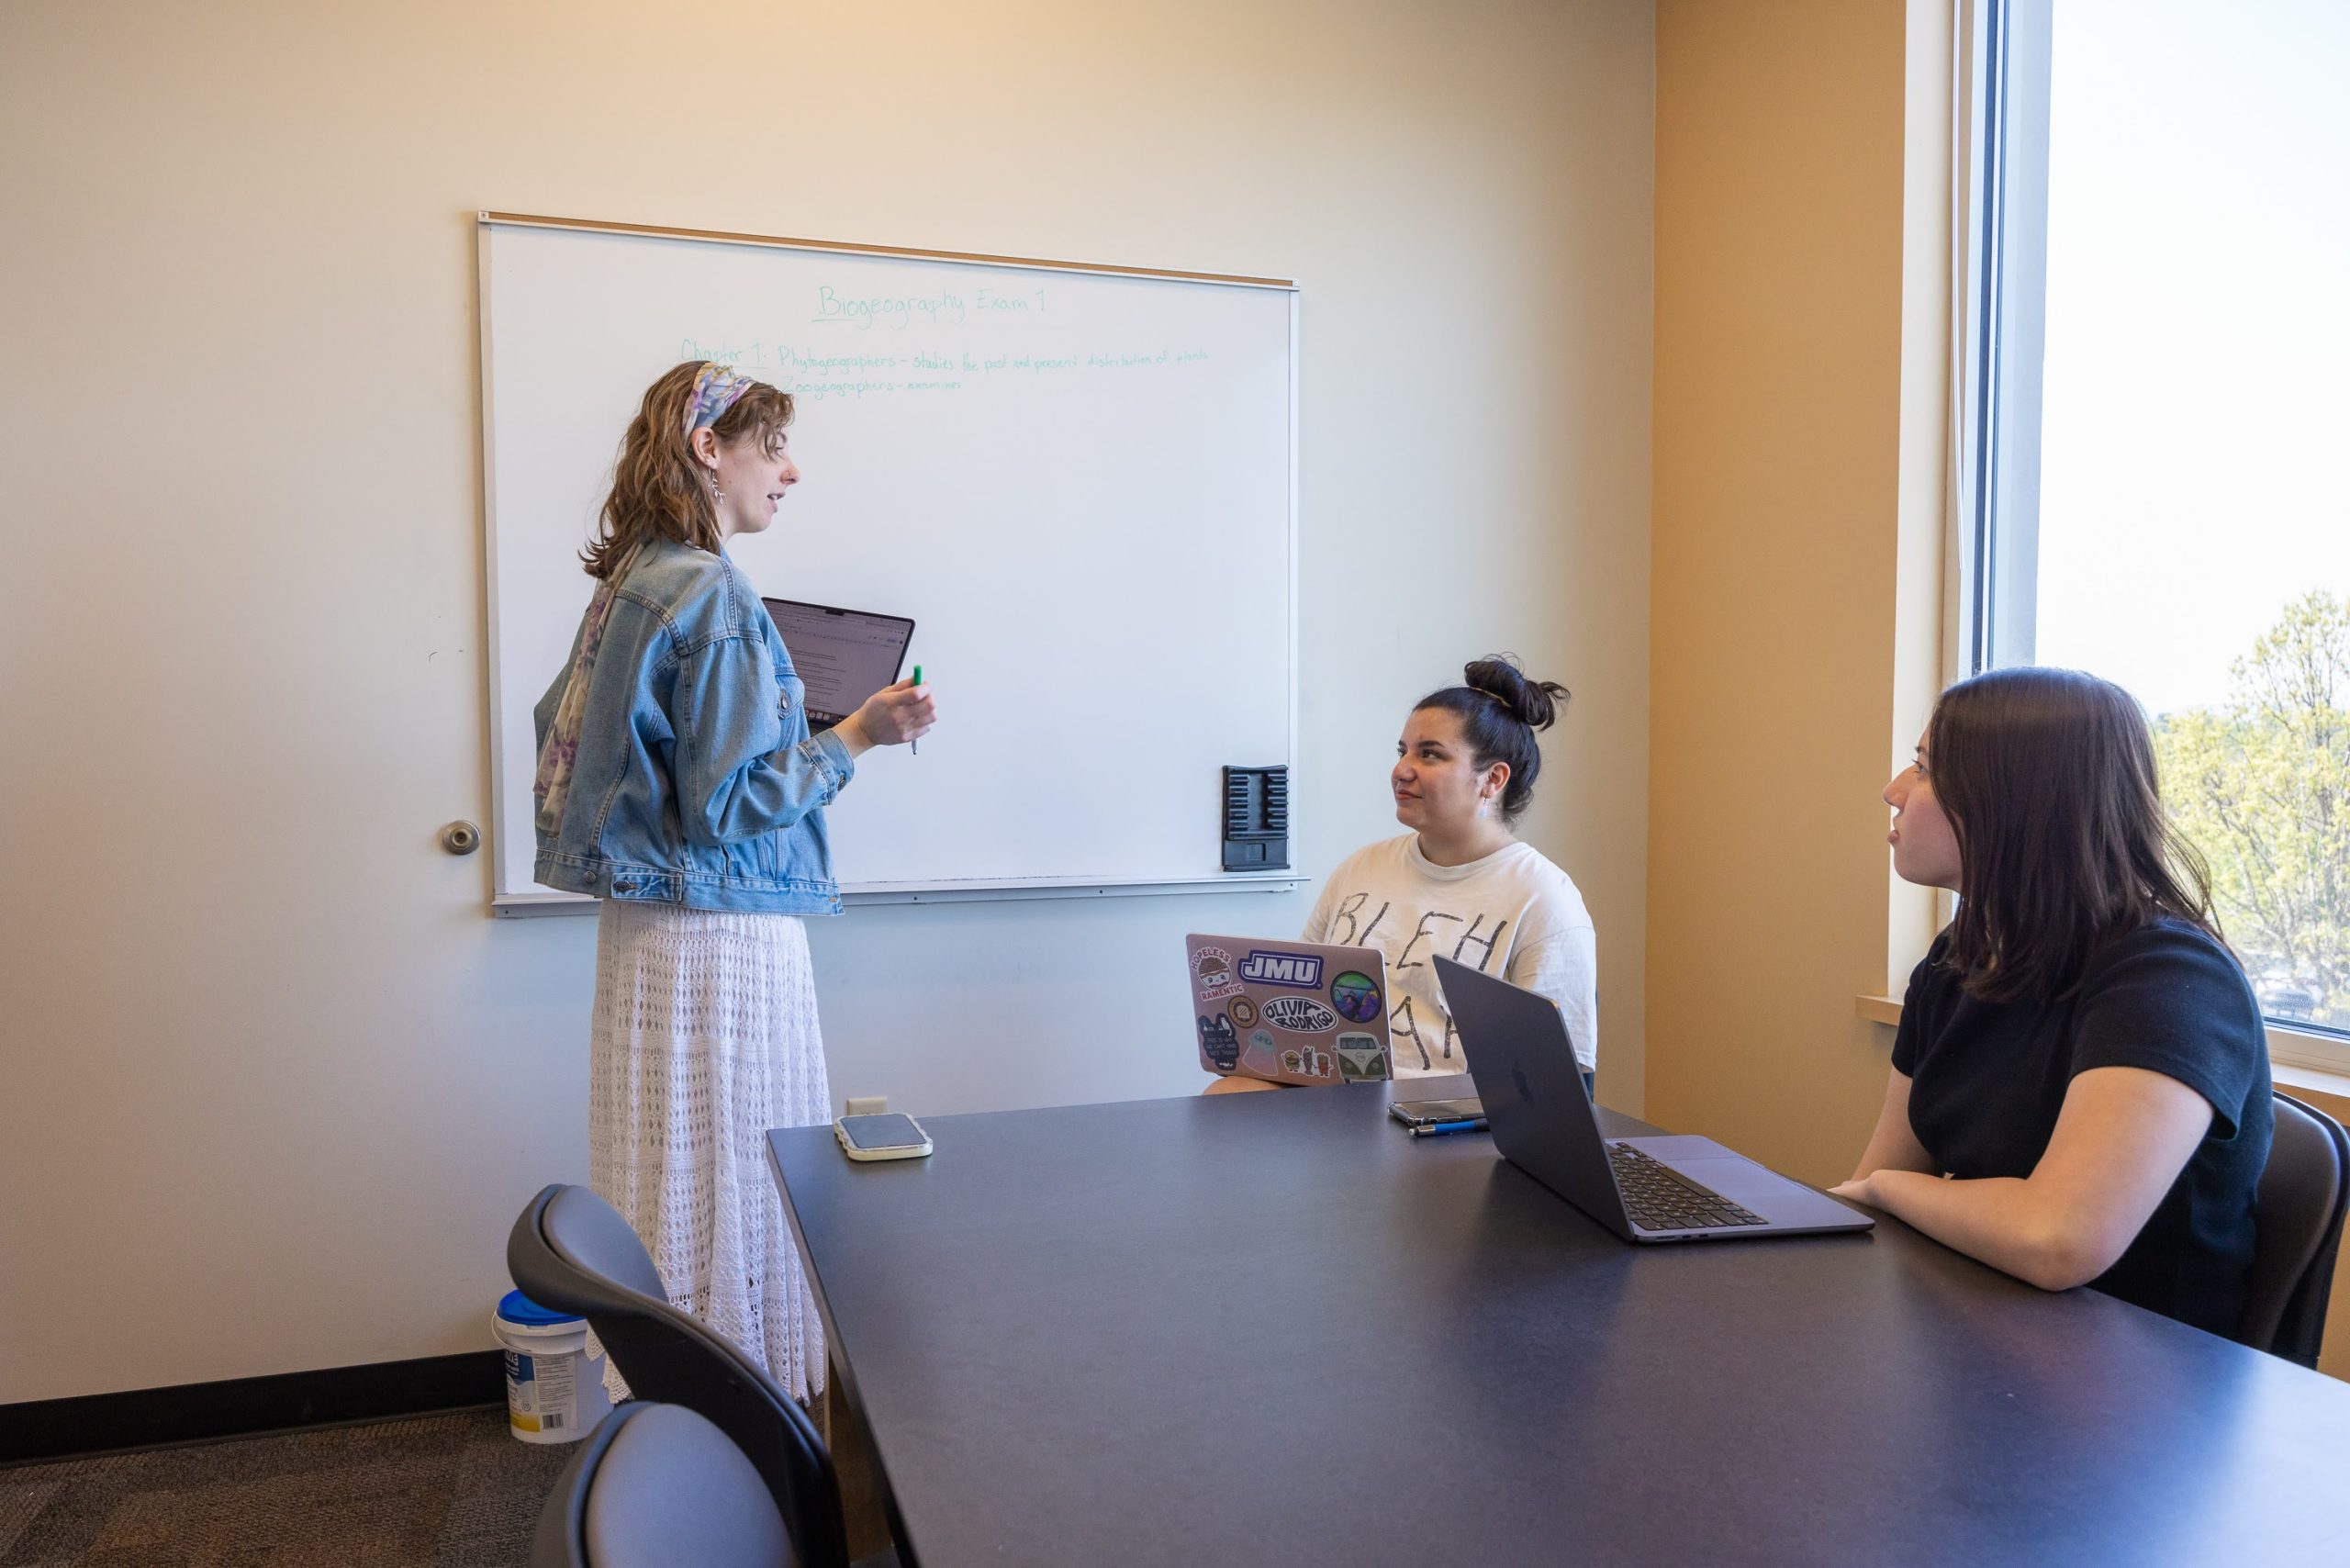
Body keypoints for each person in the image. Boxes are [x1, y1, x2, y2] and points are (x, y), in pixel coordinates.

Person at [532, 361, 934, 1402]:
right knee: (739, 1191)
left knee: (669, 1182)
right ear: (709, 449)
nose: (791, 471)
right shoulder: (712, 592)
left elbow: (580, 743)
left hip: (650, 935)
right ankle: (747, 1418)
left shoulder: (634, 580)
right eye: (774, 447)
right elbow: (726, 807)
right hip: (722, 941)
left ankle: (677, 1419)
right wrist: (857, 734)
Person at [1831, 667, 2272, 1336]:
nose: (1893, 791)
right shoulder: (1958, 959)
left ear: (2013, 801)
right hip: (1983, 1329)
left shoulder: (2170, 979)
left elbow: (2059, 1239)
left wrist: (1889, 1191)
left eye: (1924, 770)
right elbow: (1876, 1187)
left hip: (2142, 1373)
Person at [1214, 657, 1596, 1091]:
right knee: (1225, 1095)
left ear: (1492, 779)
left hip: (1449, 1114)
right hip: (1331, 1096)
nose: (1402, 770)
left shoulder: (1544, 898)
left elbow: (1558, 1080)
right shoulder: (1361, 868)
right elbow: (1301, 1004)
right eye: (1403, 752)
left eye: (1430, 754)